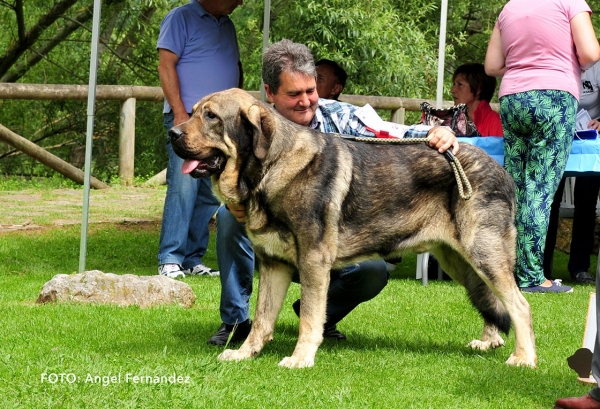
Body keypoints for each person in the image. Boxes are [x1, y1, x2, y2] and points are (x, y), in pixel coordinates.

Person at [207, 39, 460, 346]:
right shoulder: (251, 127)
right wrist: (235, 200)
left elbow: (392, 134)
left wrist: (436, 133)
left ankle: (317, 318)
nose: (305, 101)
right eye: (294, 94)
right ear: (270, 93)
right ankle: (235, 321)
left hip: (326, 241)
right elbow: (222, 165)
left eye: (310, 91)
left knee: (373, 270)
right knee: (227, 218)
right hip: (273, 236)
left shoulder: (341, 116)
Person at [484, 0, 600, 293]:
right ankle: (532, 277)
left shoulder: (509, 8)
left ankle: (507, 271)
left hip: (513, 98)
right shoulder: (570, 1)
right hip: (553, 97)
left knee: (516, 187)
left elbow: (492, 66)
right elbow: (590, 52)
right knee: (539, 188)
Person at [155, 0, 243, 279]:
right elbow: (165, 66)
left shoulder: (227, 24)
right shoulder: (180, 17)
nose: (241, 2)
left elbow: (235, 66)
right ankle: (170, 259)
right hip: (189, 123)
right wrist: (181, 114)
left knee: (208, 191)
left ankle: (192, 259)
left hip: (218, 126)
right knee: (183, 187)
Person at [544, 61, 600, 285]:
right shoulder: (558, 57)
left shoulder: (597, 64)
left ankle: (579, 267)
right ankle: (542, 267)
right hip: (556, 135)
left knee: (586, 203)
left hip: (589, 140)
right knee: (550, 201)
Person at [451, 63, 503, 137]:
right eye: (454, 84)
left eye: (460, 84)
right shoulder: (451, 120)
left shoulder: (497, 124)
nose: (452, 90)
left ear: (478, 89)